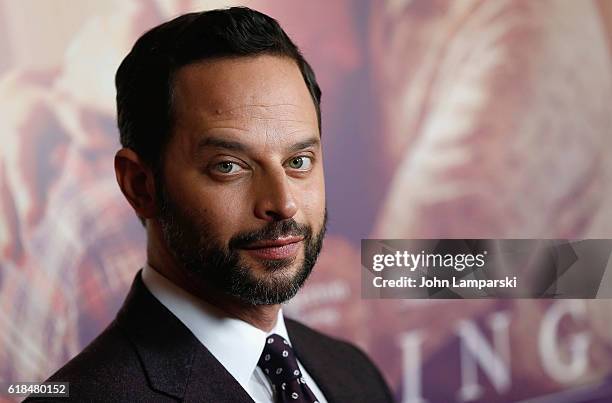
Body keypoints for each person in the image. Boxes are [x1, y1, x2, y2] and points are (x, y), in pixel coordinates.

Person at [26, 7, 393, 403]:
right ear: (139, 185)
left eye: (298, 162)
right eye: (228, 167)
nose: (282, 203)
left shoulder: (354, 373)